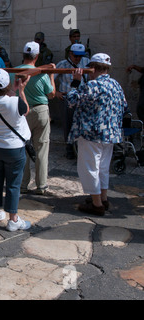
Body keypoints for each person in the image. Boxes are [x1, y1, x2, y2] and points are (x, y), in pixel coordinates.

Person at [67, 54, 128, 216]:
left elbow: (72, 100)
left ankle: (97, 204)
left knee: (90, 168)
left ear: (92, 68)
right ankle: (103, 197)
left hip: (91, 133)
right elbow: (125, 106)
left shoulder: (93, 85)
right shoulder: (115, 84)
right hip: (110, 133)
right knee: (103, 167)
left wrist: (75, 82)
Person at [0, 69, 32, 231]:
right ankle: (13, 220)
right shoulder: (15, 101)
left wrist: (13, 90)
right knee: (13, 184)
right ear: (8, 86)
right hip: (13, 148)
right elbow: (26, 110)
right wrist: (21, 89)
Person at [12, 41, 56, 195]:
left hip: (20, 111)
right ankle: (41, 185)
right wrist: (51, 75)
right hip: (40, 111)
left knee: (21, 148)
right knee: (41, 148)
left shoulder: (13, 71)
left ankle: (23, 184)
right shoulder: (41, 72)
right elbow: (51, 94)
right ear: (37, 56)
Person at [55, 44, 90, 159]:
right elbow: (50, 78)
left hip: (82, 98)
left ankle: (81, 148)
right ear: (70, 54)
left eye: (80, 56)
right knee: (68, 123)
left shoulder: (87, 62)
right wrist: (56, 93)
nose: (78, 59)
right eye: (75, 56)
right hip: (67, 97)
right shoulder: (62, 64)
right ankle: (69, 148)